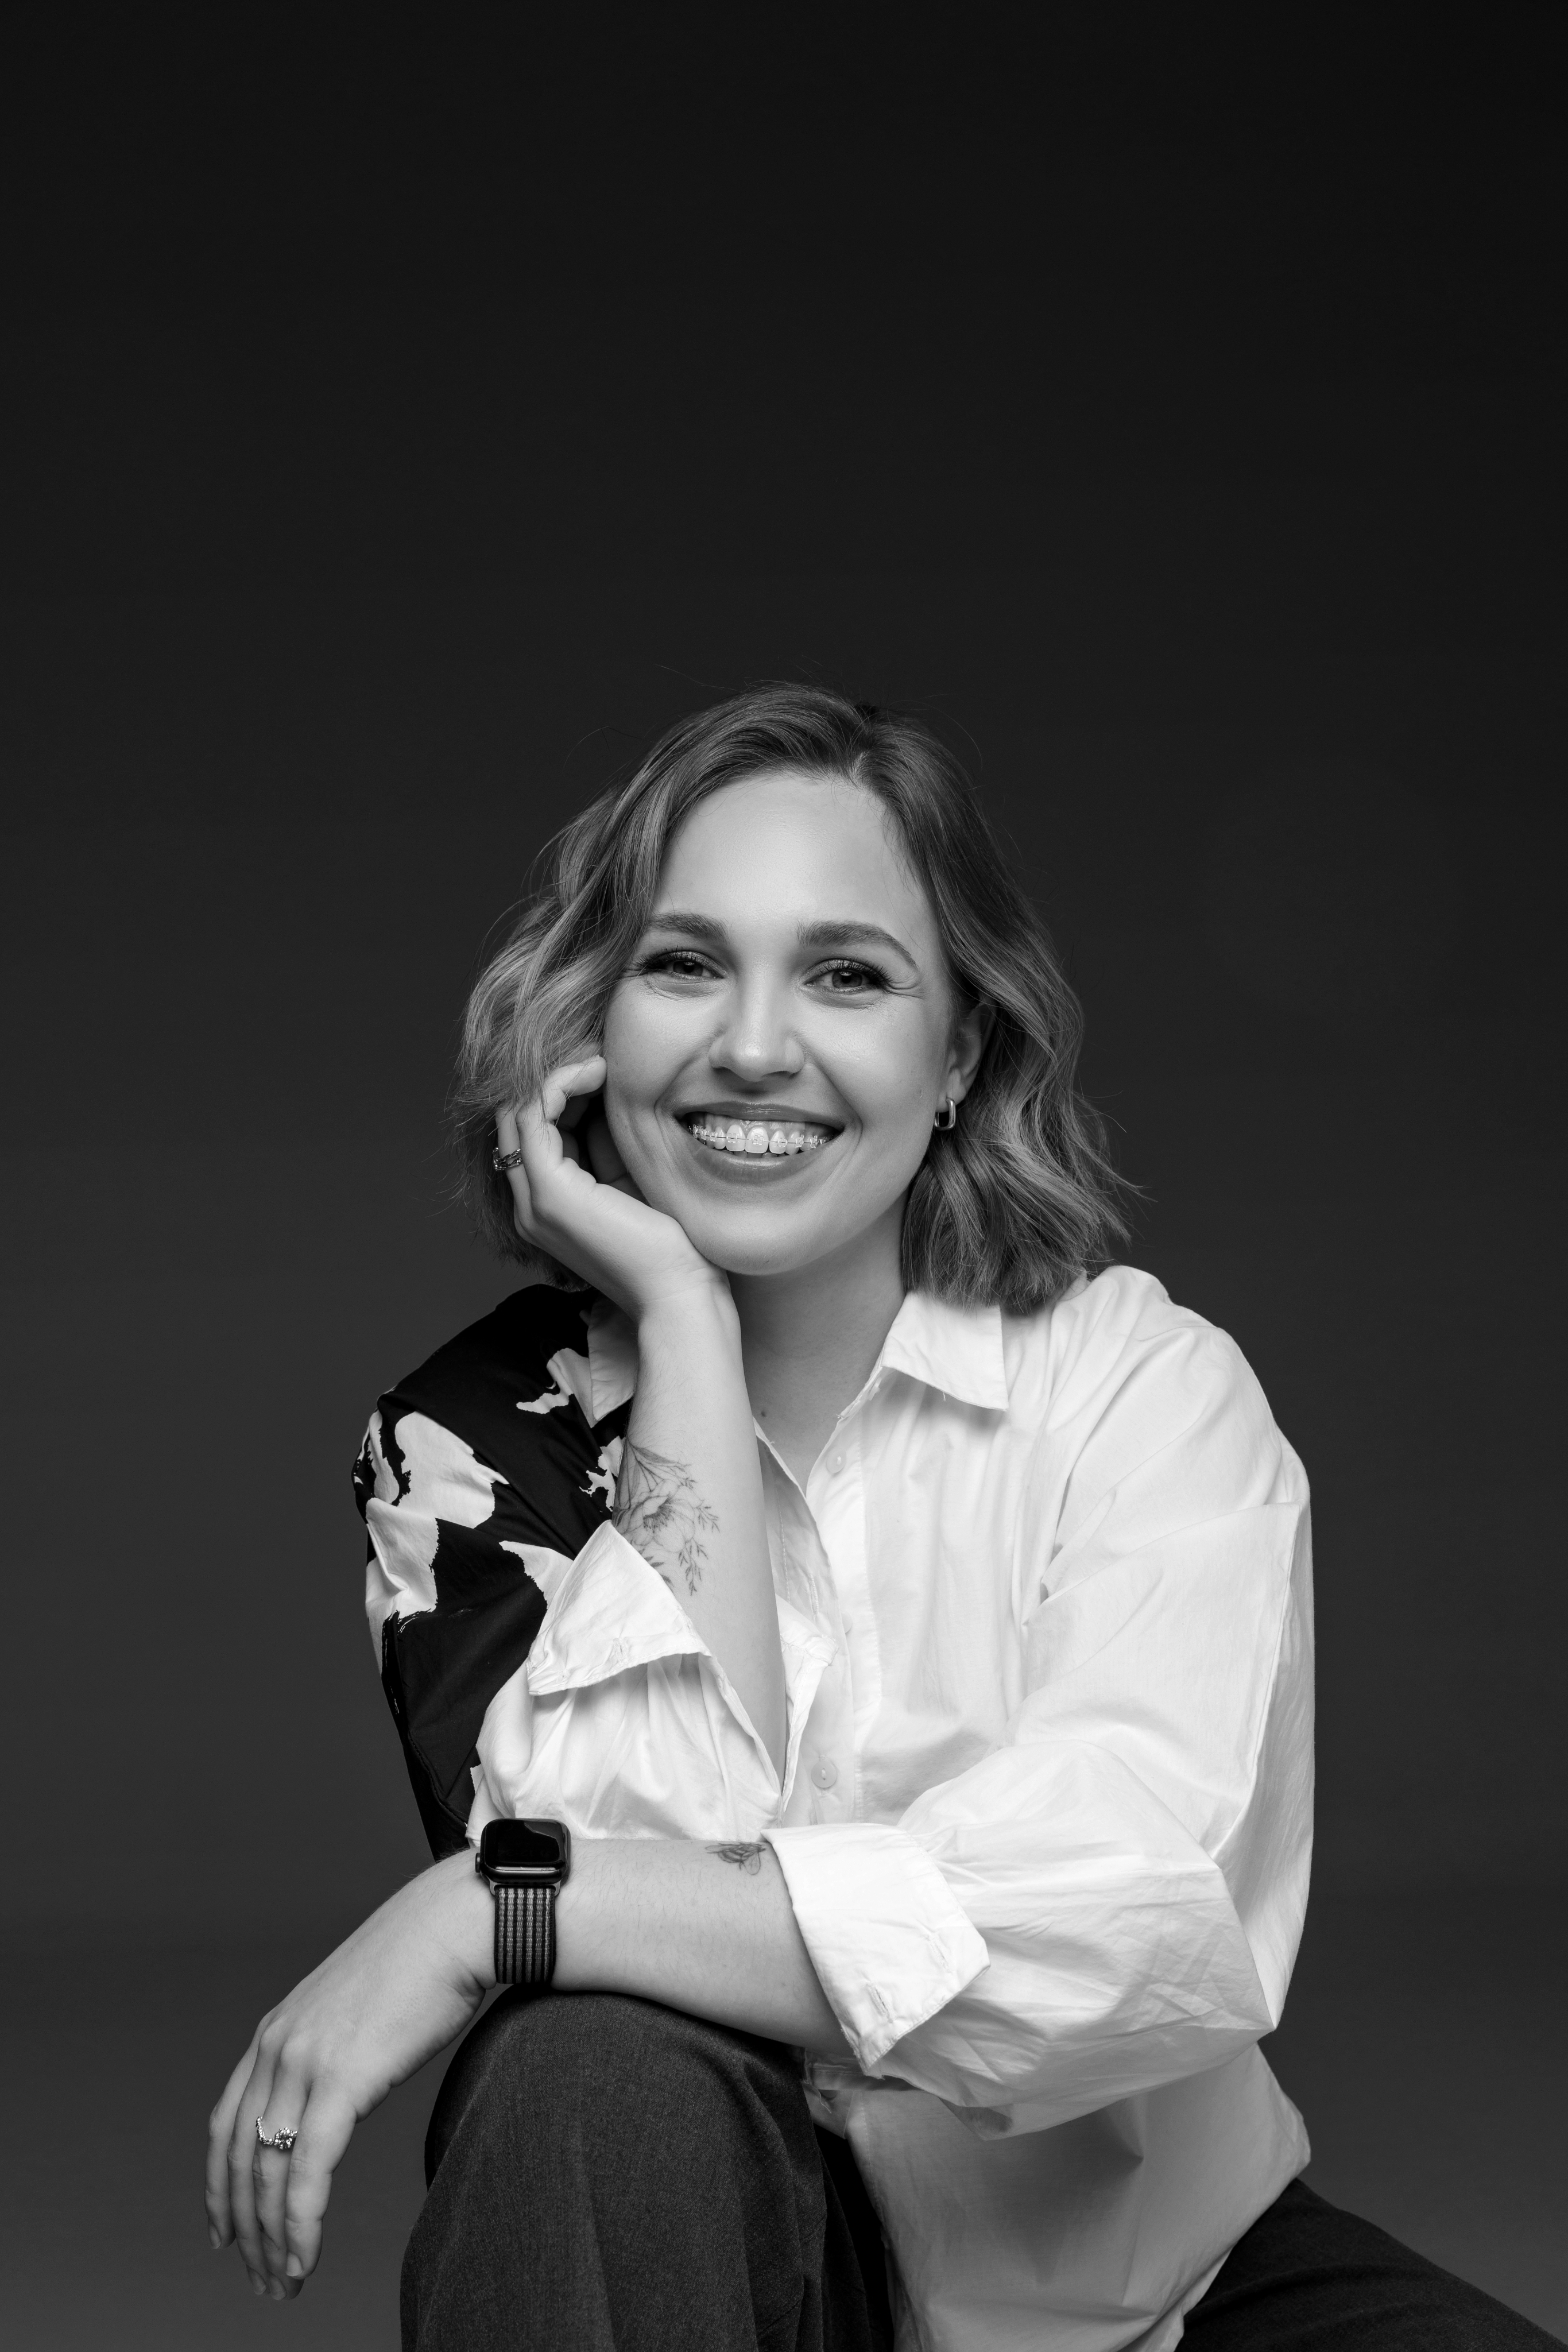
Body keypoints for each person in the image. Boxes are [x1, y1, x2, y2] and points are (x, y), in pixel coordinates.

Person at [206, 686, 1561, 2351]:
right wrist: (684, 1328)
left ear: (960, 1054)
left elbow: (1128, 1923)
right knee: (584, 2071)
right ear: (589, 1028)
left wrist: (497, 1904)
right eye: (684, 964)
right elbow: (624, 1924)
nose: (754, 1045)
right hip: (725, 2279)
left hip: (1151, 2294)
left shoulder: (1137, 1390)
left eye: (846, 975)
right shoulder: (469, 1451)